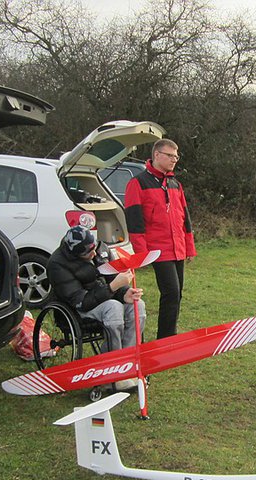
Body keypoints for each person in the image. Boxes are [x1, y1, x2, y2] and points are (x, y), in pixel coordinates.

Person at [47, 225, 145, 391]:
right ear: (75, 254)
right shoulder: (57, 265)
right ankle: (111, 370)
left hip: (102, 296)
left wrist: (124, 292)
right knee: (113, 308)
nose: (94, 254)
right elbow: (81, 302)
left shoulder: (98, 249)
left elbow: (112, 277)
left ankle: (127, 364)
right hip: (78, 307)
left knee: (137, 305)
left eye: (94, 249)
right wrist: (113, 288)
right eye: (88, 254)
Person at [125, 139, 196, 339]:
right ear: (157, 155)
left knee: (177, 294)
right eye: (170, 155)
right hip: (158, 250)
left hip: (177, 248)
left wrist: (189, 247)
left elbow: (185, 218)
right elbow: (134, 220)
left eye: (176, 156)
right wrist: (142, 253)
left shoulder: (175, 184)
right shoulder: (137, 183)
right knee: (171, 292)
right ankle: (166, 339)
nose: (174, 160)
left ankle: (168, 336)